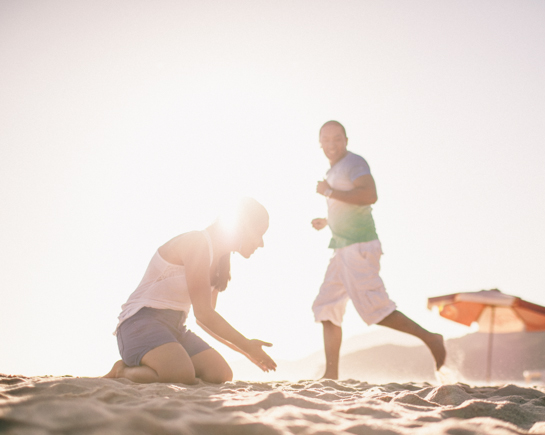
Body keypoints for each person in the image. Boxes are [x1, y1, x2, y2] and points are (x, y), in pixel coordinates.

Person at [311, 120, 446, 380]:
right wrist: (327, 221)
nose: (331, 144)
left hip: (358, 245)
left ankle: (431, 338)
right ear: (320, 143)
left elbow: (369, 195)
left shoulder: (354, 163)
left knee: (374, 307)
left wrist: (328, 191)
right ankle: (331, 374)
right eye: (326, 140)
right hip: (341, 247)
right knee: (326, 306)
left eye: (337, 138)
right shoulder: (335, 170)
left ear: (346, 140)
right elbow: (350, 207)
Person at [104, 198, 276, 384]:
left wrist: (246, 351)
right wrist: (247, 345)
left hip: (176, 328)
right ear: (243, 226)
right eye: (260, 233)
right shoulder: (197, 242)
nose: (261, 243)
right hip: (140, 323)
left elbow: (206, 320)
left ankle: (166, 362)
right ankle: (121, 371)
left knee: (220, 374)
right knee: (180, 374)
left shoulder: (220, 262)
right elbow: (203, 314)